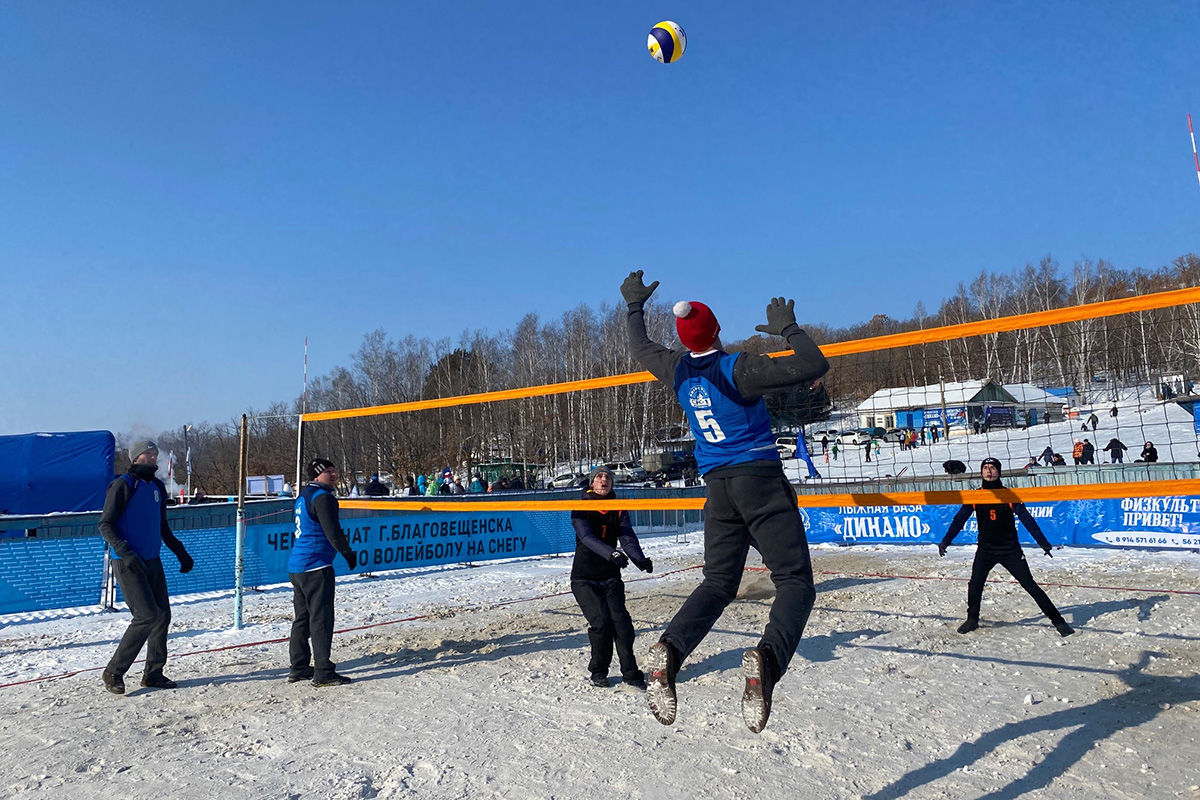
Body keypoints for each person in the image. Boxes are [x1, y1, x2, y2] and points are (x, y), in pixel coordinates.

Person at [621, 270, 828, 733]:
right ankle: (767, 662)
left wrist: (634, 306)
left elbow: (639, 348)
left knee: (717, 584)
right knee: (795, 582)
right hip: (758, 480)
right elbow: (814, 365)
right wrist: (789, 329)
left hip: (716, 487)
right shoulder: (741, 367)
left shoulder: (676, 368)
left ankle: (670, 652)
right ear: (716, 330)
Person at [99, 440, 195, 695]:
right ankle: (114, 671)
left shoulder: (157, 487)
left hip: (153, 560)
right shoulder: (124, 485)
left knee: (162, 615)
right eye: (147, 455)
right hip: (129, 562)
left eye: (154, 455)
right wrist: (125, 552)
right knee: (146, 616)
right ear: (135, 458)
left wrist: (180, 552)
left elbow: (162, 526)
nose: (153, 459)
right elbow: (105, 524)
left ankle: (153, 673)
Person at [938, 457, 1073, 637]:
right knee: (975, 584)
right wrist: (946, 540)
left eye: (992, 467)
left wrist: (1043, 543)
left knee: (1030, 585)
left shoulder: (1008, 495)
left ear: (999, 472)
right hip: (986, 550)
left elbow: (1027, 519)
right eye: (985, 467)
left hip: (1010, 550)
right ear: (981, 472)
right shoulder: (976, 495)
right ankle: (972, 619)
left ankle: (1059, 622)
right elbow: (959, 520)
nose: (989, 471)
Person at [569, 466, 653, 689]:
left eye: (607, 477)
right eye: (599, 477)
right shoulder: (581, 507)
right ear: (592, 483)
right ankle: (598, 671)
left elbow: (627, 537)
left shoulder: (617, 507)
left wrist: (639, 559)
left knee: (622, 624)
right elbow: (586, 537)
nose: (604, 480)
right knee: (601, 623)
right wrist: (610, 553)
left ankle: (631, 673)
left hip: (610, 576)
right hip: (584, 578)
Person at [288, 458, 357, 687]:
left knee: (303, 618)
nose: (334, 475)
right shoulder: (323, 498)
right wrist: (347, 553)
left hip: (298, 566)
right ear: (317, 475)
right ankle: (323, 672)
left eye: (334, 470)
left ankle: (298, 667)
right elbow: (333, 532)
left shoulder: (303, 495)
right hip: (315, 566)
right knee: (321, 619)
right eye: (329, 471)